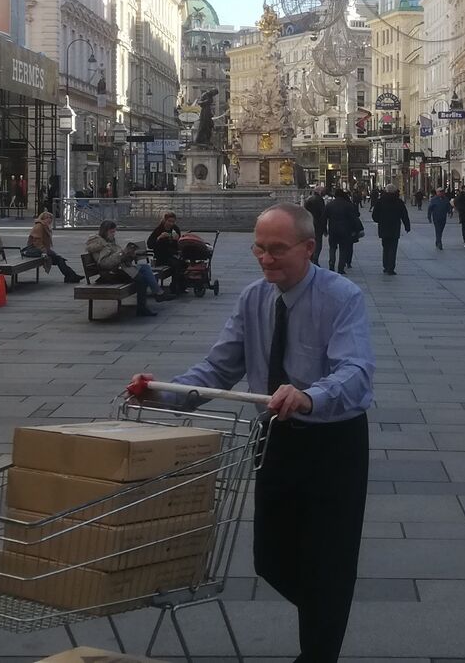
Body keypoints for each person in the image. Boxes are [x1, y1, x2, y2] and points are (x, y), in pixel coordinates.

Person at [132, 204, 373, 663]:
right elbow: (219, 367)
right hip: (276, 440)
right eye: (259, 248)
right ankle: (326, 612)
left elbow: (356, 371)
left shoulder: (343, 297)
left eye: (277, 249)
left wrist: (311, 396)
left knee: (329, 560)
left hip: (333, 442)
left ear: (309, 247)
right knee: (270, 558)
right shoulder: (253, 299)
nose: (266, 259)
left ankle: (319, 649)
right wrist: (162, 393)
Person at [85, 220, 169, 317]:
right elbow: (105, 264)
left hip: (121, 269)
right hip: (111, 273)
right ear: (104, 231)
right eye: (111, 232)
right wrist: (122, 253)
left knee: (144, 268)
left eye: (114, 231)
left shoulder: (110, 242)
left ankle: (155, 295)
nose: (113, 234)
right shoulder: (98, 244)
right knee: (141, 279)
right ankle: (152, 299)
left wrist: (131, 254)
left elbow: (118, 258)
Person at [21, 212, 84, 282]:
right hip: (35, 250)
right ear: (42, 219)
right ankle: (71, 276)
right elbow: (37, 242)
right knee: (59, 259)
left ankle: (71, 276)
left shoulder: (45, 226)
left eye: (50, 218)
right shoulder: (39, 226)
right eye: (47, 218)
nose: (49, 219)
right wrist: (45, 252)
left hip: (41, 250)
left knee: (59, 259)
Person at [372, 186, 412, 275]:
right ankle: (391, 268)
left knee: (385, 247)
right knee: (393, 248)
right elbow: (404, 215)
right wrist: (407, 226)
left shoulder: (380, 201)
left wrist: (380, 220)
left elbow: (374, 215)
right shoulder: (398, 202)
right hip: (395, 228)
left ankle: (386, 266)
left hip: (383, 227)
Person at [146, 212, 188, 294]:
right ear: (165, 220)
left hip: (173, 254)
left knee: (184, 263)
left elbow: (179, 245)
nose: (171, 223)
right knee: (177, 264)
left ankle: (181, 286)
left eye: (173, 221)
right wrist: (159, 238)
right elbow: (150, 244)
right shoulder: (159, 229)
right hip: (162, 256)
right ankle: (174, 287)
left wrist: (177, 240)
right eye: (169, 221)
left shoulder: (175, 229)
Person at [324, 188, 363, 275]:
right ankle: (341, 268)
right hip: (345, 230)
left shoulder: (329, 205)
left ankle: (331, 265)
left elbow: (324, 218)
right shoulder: (348, 205)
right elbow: (354, 218)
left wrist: (324, 230)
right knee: (343, 249)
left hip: (333, 230)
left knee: (333, 248)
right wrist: (356, 230)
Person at [302, 185, 328, 266]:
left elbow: (304, 212)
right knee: (318, 243)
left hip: (309, 224)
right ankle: (315, 259)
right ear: (319, 192)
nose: (324, 193)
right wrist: (324, 229)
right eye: (323, 191)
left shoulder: (308, 199)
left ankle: (310, 258)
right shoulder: (320, 200)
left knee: (310, 242)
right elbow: (323, 215)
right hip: (318, 225)